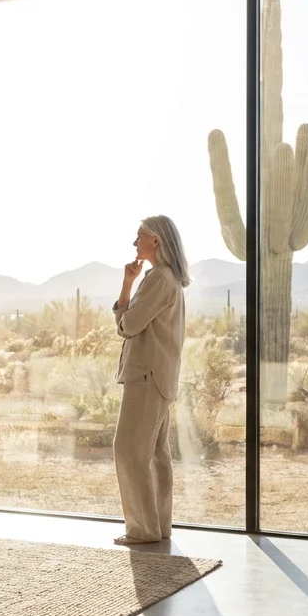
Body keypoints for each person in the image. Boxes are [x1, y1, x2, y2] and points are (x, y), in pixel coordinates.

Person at [111, 215, 190, 545]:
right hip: (158, 376)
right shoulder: (167, 278)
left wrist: (128, 284)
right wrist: (131, 281)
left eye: (139, 236)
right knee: (155, 454)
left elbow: (128, 325)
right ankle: (158, 527)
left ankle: (143, 530)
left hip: (146, 375)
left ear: (155, 241)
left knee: (129, 451)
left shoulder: (159, 279)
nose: (134, 242)